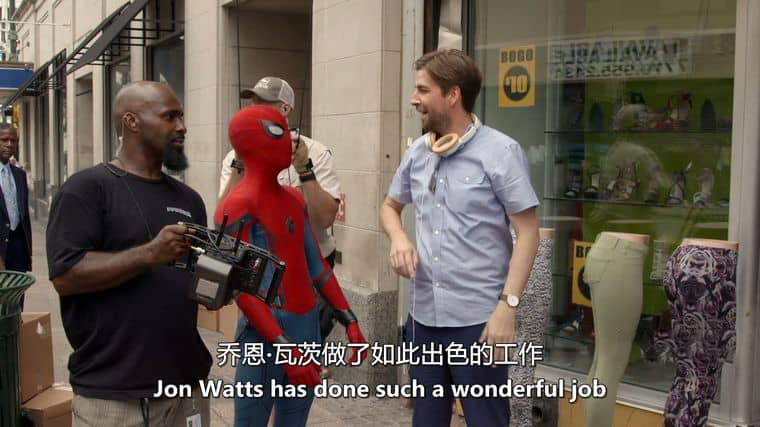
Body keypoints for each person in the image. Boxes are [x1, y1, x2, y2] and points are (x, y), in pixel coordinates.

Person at [380, 49, 540, 427]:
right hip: (423, 319)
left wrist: (507, 307)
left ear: (453, 94)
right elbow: (389, 206)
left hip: (478, 323)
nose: (414, 99)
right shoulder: (418, 152)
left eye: (423, 90)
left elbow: (528, 233)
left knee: (486, 421)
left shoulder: (501, 152)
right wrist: (398, 237)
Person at [46, 81, 212, 426]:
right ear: (131, 122)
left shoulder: (189, 200)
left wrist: (221, 286)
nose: (182, 127)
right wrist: (149, 254)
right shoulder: (85, 189)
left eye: (181, 117)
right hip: (113, 396)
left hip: (187, 389)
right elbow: (65, 275)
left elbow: (192, 280)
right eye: (170, 117)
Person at [218, 104, 367, 426]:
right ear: (249, 142)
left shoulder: (294, 199)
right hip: (265, 336)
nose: (290, 139)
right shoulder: (236, 205)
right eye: (278, 131)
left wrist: (349, 318)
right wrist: (288, 351)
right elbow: (243, 289)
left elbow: (317, 267)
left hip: (305, 331)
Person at [219, 76, 342, 339]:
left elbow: (324, 219)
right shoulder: (235, 155)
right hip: (258, 271)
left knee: (306, 342)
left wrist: (304, 169)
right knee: (260, 338)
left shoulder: (315, 152)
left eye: (264, 103)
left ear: (285, 109)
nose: (255, 109)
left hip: (306, 269)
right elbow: (224, 221)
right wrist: (240, 163)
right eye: (253, 103)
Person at [0, 124, 32, 277]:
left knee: (17, 290)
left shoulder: (20, 174)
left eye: (13, 140)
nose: (9, 144)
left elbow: (24, 215)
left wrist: (27, 251)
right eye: (4, 140)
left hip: (18, 248)